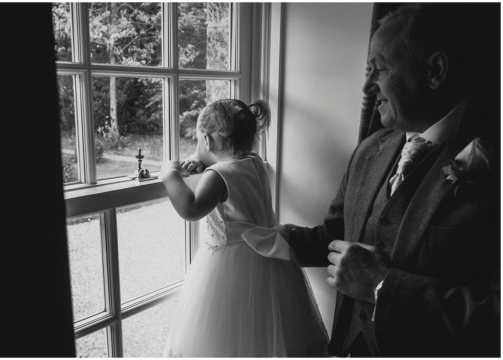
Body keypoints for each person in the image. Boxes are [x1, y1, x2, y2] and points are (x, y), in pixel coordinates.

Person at [275, 4, 499, 357]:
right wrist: (270, 240)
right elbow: (336, 237)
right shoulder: (370, 149)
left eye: (378, 69)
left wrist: (381, 285)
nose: (367, 87)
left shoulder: (493, 159)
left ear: (435, 71)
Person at [160, 99, 329, 357]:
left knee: (229, 336)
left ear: (208, 140)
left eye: (198, 141)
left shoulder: (216, 175)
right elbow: (234, 171)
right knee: (265, 330)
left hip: (229, 268)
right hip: (270, 263)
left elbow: (191, 208)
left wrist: (169, 175)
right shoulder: (255, 162)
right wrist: (202, 161)